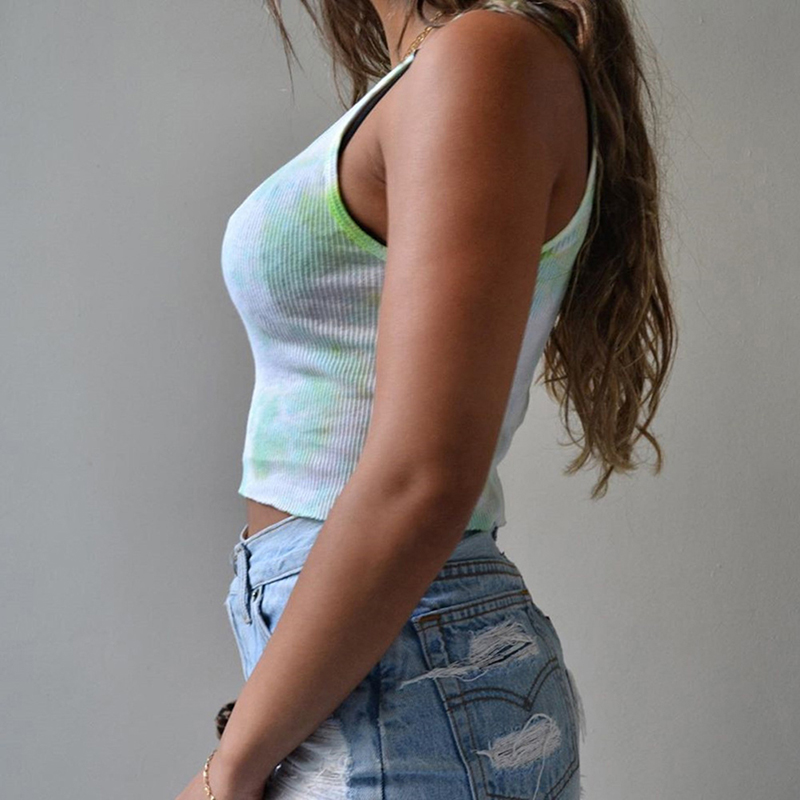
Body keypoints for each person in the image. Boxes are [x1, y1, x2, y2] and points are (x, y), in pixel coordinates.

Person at [177, 1, 676, 798]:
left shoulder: (486, 56)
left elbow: (423, 476)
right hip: (373, 654)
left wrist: (226, 773)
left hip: (406, 660)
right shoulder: (455, 65)